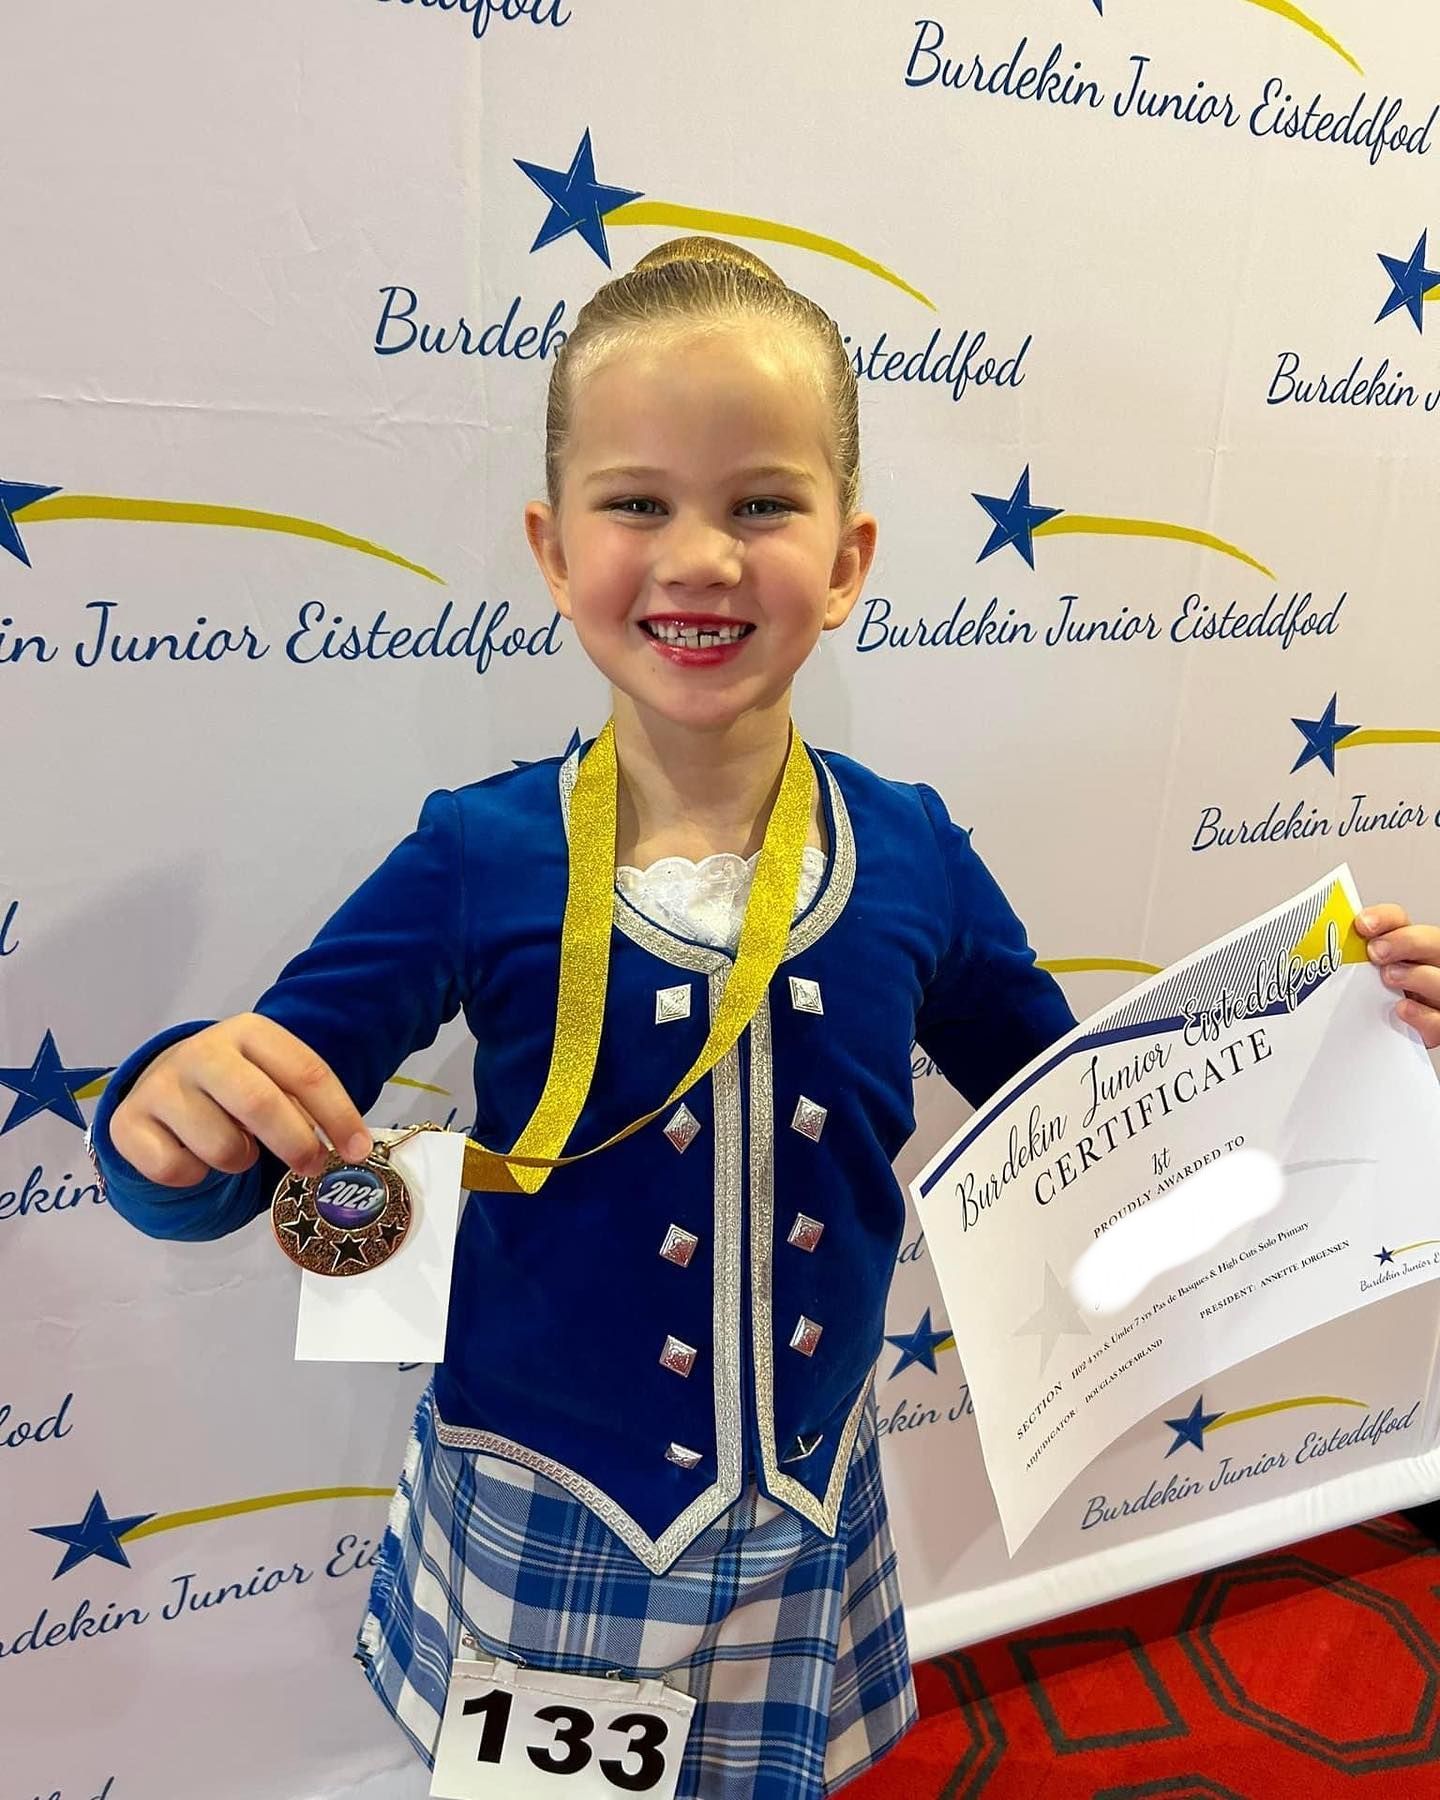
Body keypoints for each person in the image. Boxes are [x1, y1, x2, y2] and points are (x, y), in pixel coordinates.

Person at [86, 236, 1440, 1799]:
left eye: (763, 504)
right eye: (638, 502)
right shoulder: (479, 851)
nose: (702, 558)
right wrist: (161, 1121)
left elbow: (1082, 1121)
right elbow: (241, 1143)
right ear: (551, 544)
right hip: (543, 1503)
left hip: (800, 1514)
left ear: (851, 558)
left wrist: (1335, 1035)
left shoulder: (917, 847)